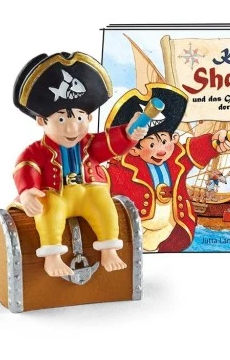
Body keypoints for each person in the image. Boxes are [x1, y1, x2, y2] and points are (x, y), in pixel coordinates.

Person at [12, 52, 147, 277]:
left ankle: (109, 250)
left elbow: (110, 143)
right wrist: (27, 192)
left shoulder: (90, 143)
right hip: (55, 193)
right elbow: (26, 167)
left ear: (89, 118)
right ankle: (52, 257)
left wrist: (129, 133)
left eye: (79, 118)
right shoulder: (37, 150)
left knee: (105, 206)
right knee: (49, 211)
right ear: (42, 121)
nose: (72, 128)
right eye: (61, 119)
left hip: (89, 190)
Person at [106, 84, 230, 252]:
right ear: (134, 150)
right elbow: (105, 182)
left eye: (165, 141)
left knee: (166, 246)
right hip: (139, 229)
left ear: (174, 139)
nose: (161, 150)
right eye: (152, 144)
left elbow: (196, 149)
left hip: (173, 224)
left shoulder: (177, 157)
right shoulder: (123, 167)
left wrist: (215, 141)